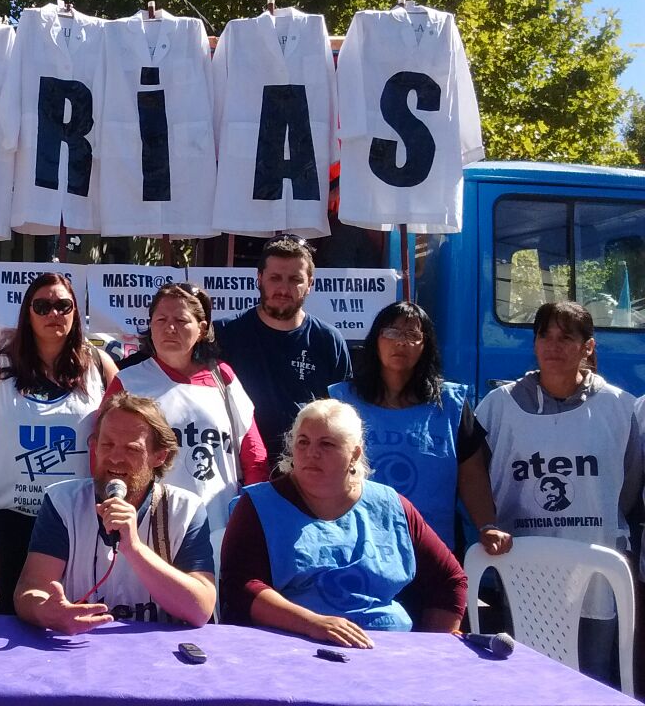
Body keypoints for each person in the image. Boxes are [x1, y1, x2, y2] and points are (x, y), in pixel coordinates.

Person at [472, 301, 643, 687]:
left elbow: (629, 486)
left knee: (593, 675)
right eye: (544, 336)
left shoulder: (620, 407)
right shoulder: (498, 407)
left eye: (566, 338)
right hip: (525, 563)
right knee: (526, 673)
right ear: (533, 344)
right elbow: (473, 474)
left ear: (588, 347)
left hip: (595, 563)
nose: (553, 346)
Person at [220, 399, 467, 647]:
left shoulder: (392, 506)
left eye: (326, 444)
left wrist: (432, 649)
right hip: (295, 647)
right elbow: (242, 588)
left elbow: (450, 579)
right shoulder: (257, 506)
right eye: (303, 442)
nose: (311, 453)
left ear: (355, 454)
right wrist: (313, 624)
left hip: (388, 650)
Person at [0, 272, 117, 613]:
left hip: (76, 518)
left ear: (75, 312)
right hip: (11, 517)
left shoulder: (100, 365)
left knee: (75, 610)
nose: (54, 314)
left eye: (63, 305)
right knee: (12, 613)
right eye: (43, 305)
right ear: (27, 312)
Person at [15, 392, 216, 633]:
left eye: (131, 449)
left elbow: (200, 610)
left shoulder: (185, 509)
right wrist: (45, 612)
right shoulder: (62, 502)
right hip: (77, 649)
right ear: (94, 448)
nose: (115, 458)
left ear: (159, 456)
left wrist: (134, 548)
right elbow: (31, 588)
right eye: (107, 445)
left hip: (157, 655)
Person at [104, 282, 266, 563]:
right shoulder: (128, 381)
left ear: (201, 328)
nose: (170, 328)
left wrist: (249, 512)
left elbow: (254, 455)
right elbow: (102, 452)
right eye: (161, 320)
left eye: (181, 320)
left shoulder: (223, 377)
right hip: (146, 526)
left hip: (218, 525)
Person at [327, 301, 491, 552]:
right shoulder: (341, 400)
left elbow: (473, 476)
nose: (401, 342)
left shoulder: (450, 404)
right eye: (391, 332)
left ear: (426, 346)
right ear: (376, 340)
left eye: (412, 334)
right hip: (358, 544)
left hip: (432, 546)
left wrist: (487, 526)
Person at [216, 235, 351, 465]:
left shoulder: (329, 340)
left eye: (295, 279)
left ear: (310, 283)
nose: (283, 289)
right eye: (275, 278)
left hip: (306, 470)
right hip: (235, 467)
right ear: (259, 279)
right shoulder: (223, 334)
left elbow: (342, 415)